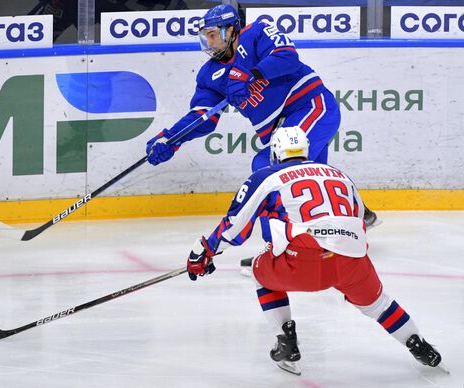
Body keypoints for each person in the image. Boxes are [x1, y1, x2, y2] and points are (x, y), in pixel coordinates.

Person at [185, 126, 444, 375]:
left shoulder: (267, 177)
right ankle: (418, 344)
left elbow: (234, 227)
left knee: (259, 270)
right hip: (352, 262)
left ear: (275, 153)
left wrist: (204, 251)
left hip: (302, 263)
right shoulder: (339, 174)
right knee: (380, 305)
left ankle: (286, 341)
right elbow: (361, 217)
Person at [144, 3, 378, 228]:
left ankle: (278, 247)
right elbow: (202, 117)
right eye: (206, 36)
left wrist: (251, 74)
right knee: (310, 181)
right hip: (283, 131)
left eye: (214, 34)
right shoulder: (208, 75)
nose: (209, 41)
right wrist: (171, 139)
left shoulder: (256, 32)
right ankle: (351, 216)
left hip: (311, 107)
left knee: (268, 165)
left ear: (232, 30)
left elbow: (287, 56)